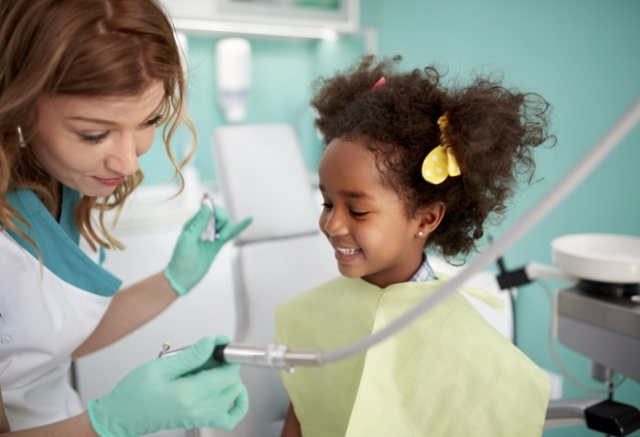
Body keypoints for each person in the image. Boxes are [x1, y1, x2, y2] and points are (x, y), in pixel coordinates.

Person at [0, 0, 252, 435]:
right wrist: (110, 423)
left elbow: (46, 346)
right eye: (94, 134)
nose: (129, 162)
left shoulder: (58, 185)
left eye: (149, 120)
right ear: (17, 103)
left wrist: (173, 280)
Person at [276, 55, 556, 437]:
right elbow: (304, 412)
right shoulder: (315, 315)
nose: (331, 223)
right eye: (327, 203)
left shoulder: (463, 345)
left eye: (357, 211)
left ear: (425, 219)